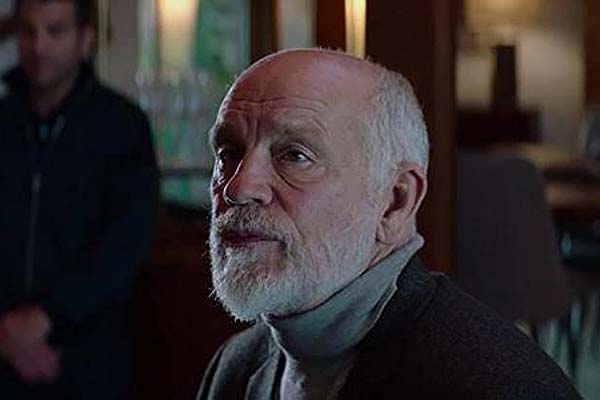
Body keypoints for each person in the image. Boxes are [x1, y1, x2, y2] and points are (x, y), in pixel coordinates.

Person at [198, 49, 581, 399]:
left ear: (395, 203)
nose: (239, 187)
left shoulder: (500, 385)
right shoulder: (237, 366)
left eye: (295, 156)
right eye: (229, 153)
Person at [0, 0, 159, 398]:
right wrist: (7, 330)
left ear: (85, 38)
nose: (39, 45)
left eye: (55, 31)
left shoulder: (122, 126)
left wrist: (48, 316)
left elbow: (127, 240)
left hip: (90, 358)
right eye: (28, 31)